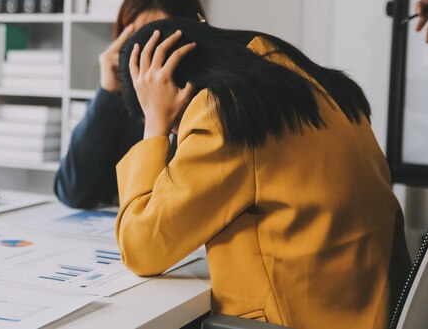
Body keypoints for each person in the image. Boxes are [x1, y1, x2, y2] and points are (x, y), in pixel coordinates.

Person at [115, 17, 411, 329]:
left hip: (292, 321)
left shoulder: (228, 113)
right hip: (374, 306)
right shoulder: (308, 80)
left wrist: (155, 125)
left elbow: (141, 248)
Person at [53, 0, 206, 208]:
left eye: (161, 38)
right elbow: (73, 191)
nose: (148, 53)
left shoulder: (206, 104)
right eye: (140, 38)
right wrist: (107, 93)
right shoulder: (122, 103)